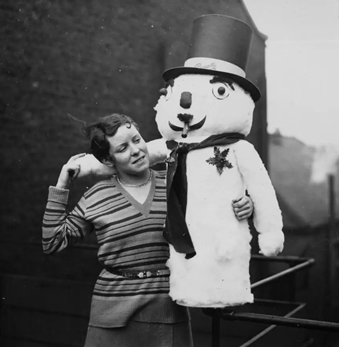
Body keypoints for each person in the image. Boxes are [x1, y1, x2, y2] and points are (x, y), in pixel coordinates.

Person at [42, 113, 254, 347]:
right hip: (111, 317)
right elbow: (53, 242)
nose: (135, 150)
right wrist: (62, 185)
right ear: (109, 160)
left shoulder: (175, 183)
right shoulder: (96, 197)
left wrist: (244, 205)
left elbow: (216, 214)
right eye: (122, 148)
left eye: (136, 139)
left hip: (168, 314)